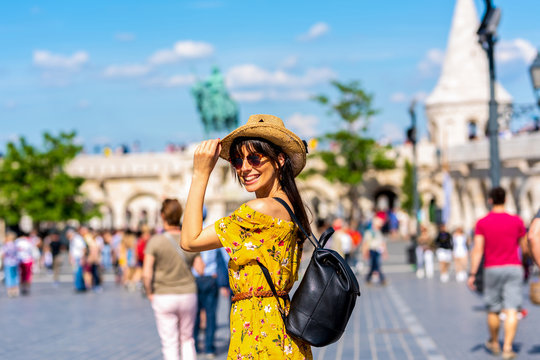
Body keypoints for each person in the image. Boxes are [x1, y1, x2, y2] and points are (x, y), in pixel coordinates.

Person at [180, 114, 313, 359]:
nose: (245, 168)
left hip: (260, 332)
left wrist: (200, 174)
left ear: (279, 160)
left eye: (254, 158)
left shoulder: (258, 211)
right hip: (280, 327)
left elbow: (189, 240)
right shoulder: (290, 206)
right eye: (237, 160)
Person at [468, 187, 527, 360]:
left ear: (490, 200)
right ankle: (508, 347)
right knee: (511, 310)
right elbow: (524, 246)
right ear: (506, 199)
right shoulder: (516, 221)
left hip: (492, 268)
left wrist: (472, 273)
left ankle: (494, 342)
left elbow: (478, 250)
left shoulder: (482, 222)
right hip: (514, 267)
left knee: (493, 309)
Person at [143, 198, 203, 360]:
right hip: (187, 292)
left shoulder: (155, 241)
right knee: (187, 339)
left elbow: (147, 273)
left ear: (162, 216)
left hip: (163, 294)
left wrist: (149, 292)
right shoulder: (188, 240)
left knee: (169, 342)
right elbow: (200, 268)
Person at [362, 217, 388, 285]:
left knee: (375, 265)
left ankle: (369, 278)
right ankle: (382, 279)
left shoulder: (379, 232)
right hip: (372, 250)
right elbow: (366, 243)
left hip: (378, 251)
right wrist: (365, 252)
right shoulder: (370, 232)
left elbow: (382, 243)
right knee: (375, 265)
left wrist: (385, 252)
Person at [2, 231, 20, 297]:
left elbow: (3, 254)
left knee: (9, 277)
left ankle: (10, 291)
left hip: (8, 262)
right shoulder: (15, 244)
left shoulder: (6, 245)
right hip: (15, 262)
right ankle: (16, 290)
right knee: (15, 276)